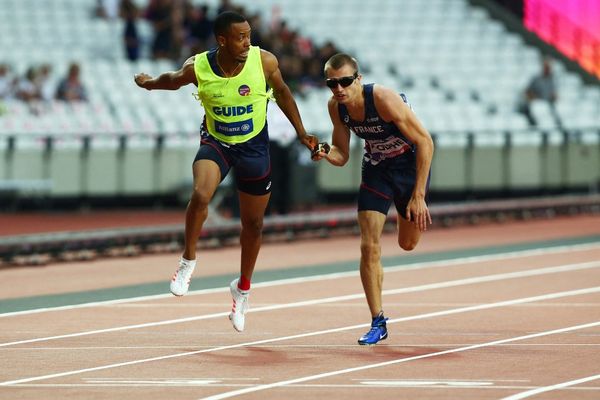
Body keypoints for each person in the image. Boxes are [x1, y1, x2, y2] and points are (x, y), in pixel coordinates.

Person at [134, 11, 317, 332]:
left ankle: (243, 289)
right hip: (217, 142)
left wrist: (301, 133)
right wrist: (149, 84)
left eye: (249, 35)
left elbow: (285, 93)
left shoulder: (265, 62)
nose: (248, 42)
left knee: (254, 224)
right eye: (241, 37)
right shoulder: (199, 66)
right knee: (201, 194)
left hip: (254, 147)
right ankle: (187, 261)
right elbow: (174, 80)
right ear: (222, 40)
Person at [312, 53, 434, 345]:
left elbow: (426, 141)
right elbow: (342, 155)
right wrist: (324, 152)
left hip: (408, 167)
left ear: (358, 79)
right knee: (369, 245)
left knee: (407, 244)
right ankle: (378, 320)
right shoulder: (337, 108)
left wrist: (419, 195)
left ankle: (409, 209)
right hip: (377, 169)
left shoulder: (383, 99)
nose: (339, 89)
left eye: (344, 82)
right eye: (332, 84)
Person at [517, 57, 560, 127]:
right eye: (546, 66)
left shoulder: (553, 80)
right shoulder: (536, 79)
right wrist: (534, 98)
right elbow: (527, 91)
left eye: (549, 67)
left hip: (548, 105)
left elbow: (554, 95)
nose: (548, 69)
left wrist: (553, 97)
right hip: (537, 103)